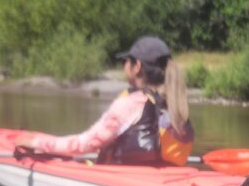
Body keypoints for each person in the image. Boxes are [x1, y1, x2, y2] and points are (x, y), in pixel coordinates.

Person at [23, 36, 194, 166]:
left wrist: (35, 142)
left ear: (137, 67)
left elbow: (82, 144)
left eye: (125, 61)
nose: (123, 65)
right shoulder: (176, 105)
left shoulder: (132, 103)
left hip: (129, 183)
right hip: (166, 182)